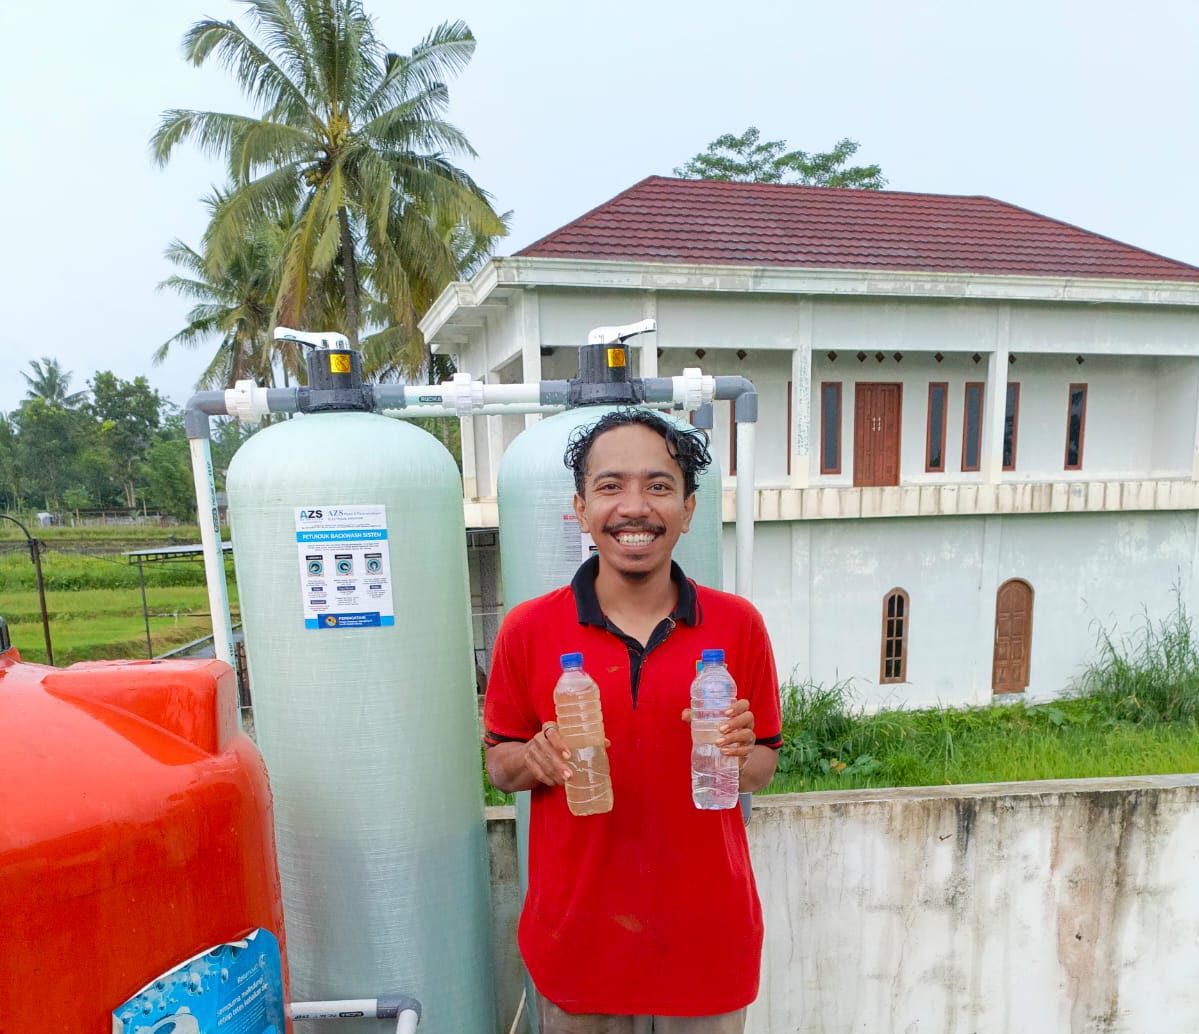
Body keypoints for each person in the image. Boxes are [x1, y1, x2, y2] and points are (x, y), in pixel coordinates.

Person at [484, 409, 783, 1033]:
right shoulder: (529, 630)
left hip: (707, 940)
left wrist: (738, 752)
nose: (635, 507)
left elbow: (763, 766)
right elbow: (499, 765)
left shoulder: (739, 626)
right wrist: (533, 756)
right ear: (581, 508)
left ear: (689, 508)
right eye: (611, 485)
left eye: (659, 485)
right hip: (579, 941)